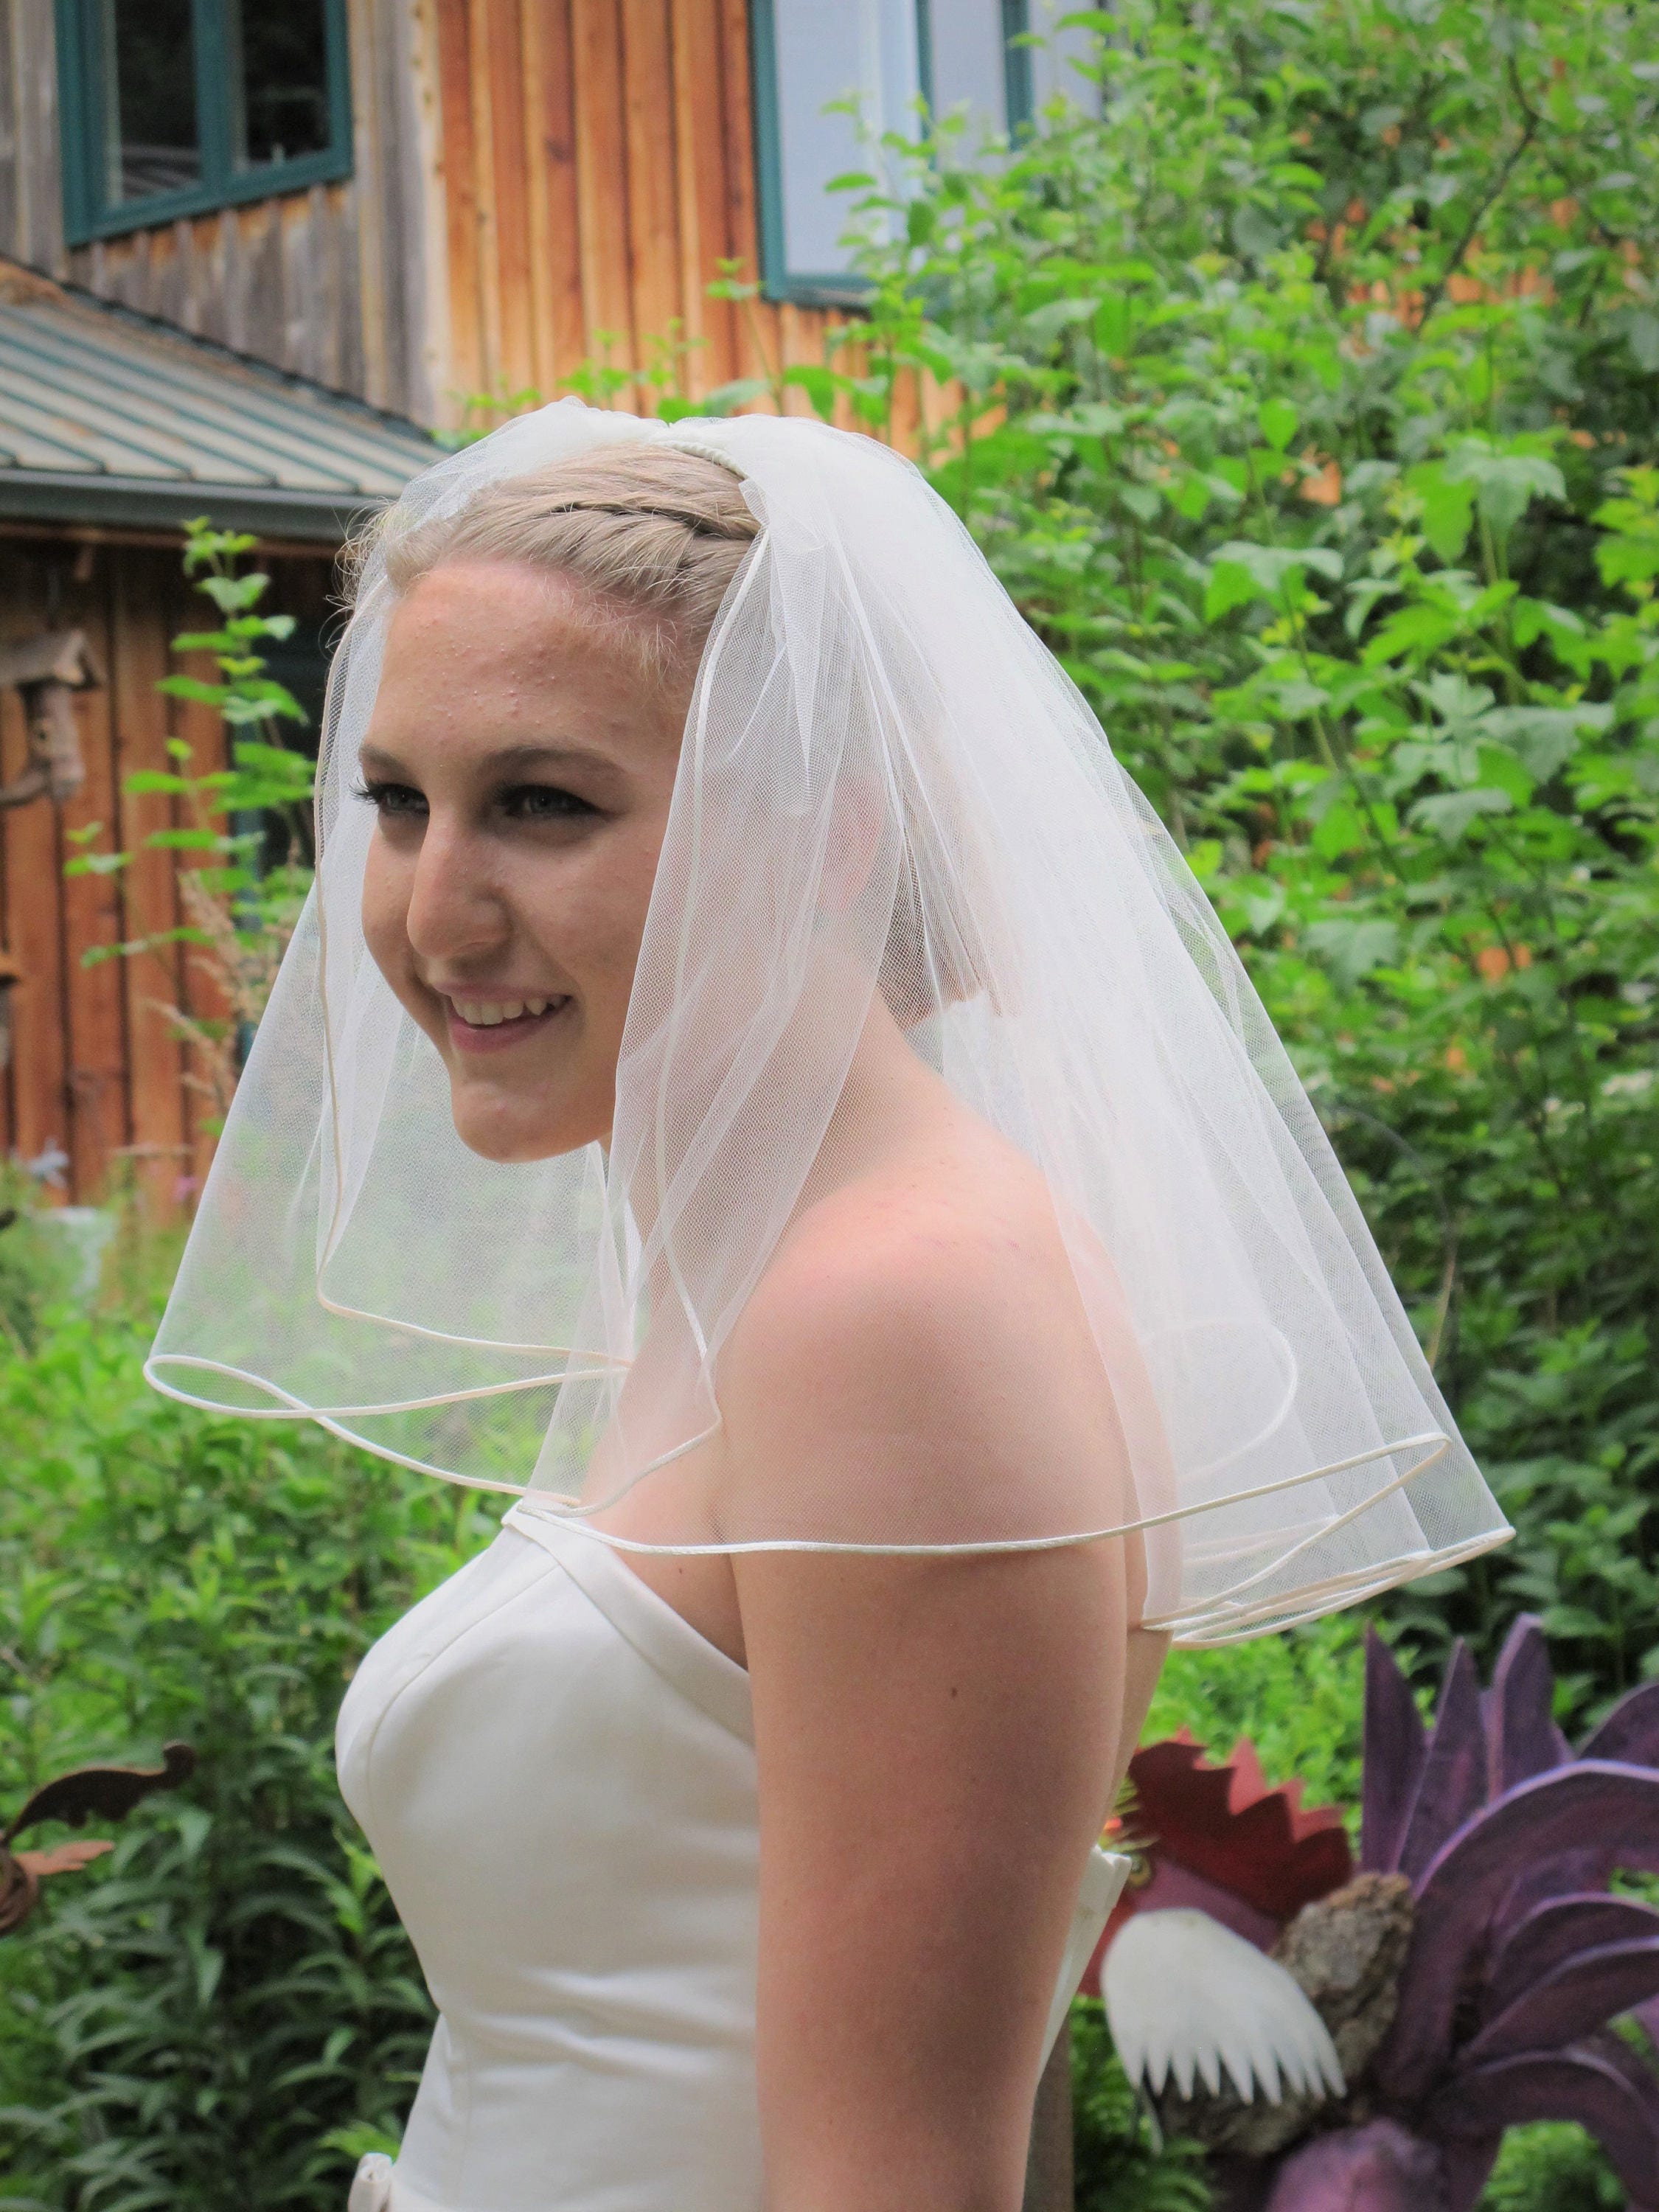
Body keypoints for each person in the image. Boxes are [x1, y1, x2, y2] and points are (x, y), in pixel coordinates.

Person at [147, 401, 1509, 2212]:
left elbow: (908, 2175)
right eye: (397, 802)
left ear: (831, 836)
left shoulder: (895, 1314)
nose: (430, 910)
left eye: (541, 804)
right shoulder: (776, 1253)